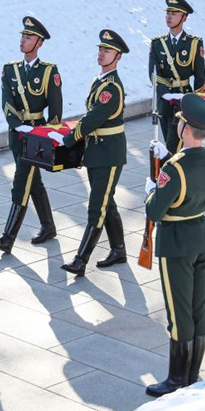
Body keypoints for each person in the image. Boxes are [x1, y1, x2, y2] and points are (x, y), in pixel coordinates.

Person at [144, 94, 205, 397]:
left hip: (176, 242)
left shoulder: (173, 169)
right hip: (201, 236)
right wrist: (165, 161)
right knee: (197, 307)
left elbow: (155, 211)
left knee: (178, 313)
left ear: (186, 129)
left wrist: (152, 189)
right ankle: (192, 373)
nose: (176, 124)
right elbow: (187, 174)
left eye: (179, 122)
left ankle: (176, 380)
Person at [49, 30, 129, 276]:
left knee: (97, 207)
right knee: (106, 202)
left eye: (107, 51)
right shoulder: (101, 81)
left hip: (109, 154)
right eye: (100, 49)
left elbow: (93, 118)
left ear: (118, 57)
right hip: (98, 152)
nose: (101, 53)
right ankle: (119, 250)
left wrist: (68, 139)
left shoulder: (111, 88)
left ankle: (80, 260)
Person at [0, 16, 63, 253]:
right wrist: (17, 125)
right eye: (22, 36)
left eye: (28, 37)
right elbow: (6, 101)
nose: (23, 40)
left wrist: (45, 135)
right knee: (33, 182)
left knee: (22, 181)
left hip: (37, 138)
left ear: (39, 42)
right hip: (17, 135)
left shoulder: (49, 71)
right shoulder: (10, 70)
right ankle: (48, 226)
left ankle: (8, 237)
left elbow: (56, 108)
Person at [148, 0, 205, 154]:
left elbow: (200, 77)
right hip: (164, 102)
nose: (169, 16)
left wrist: (196, 103)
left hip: (184, 100)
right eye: (168, 12)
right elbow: (153, 74)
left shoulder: (194, 43)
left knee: (175, 145)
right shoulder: (157, 43)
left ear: (184, 18)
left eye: (174, 13)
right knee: (169, 141)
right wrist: (164, 94)